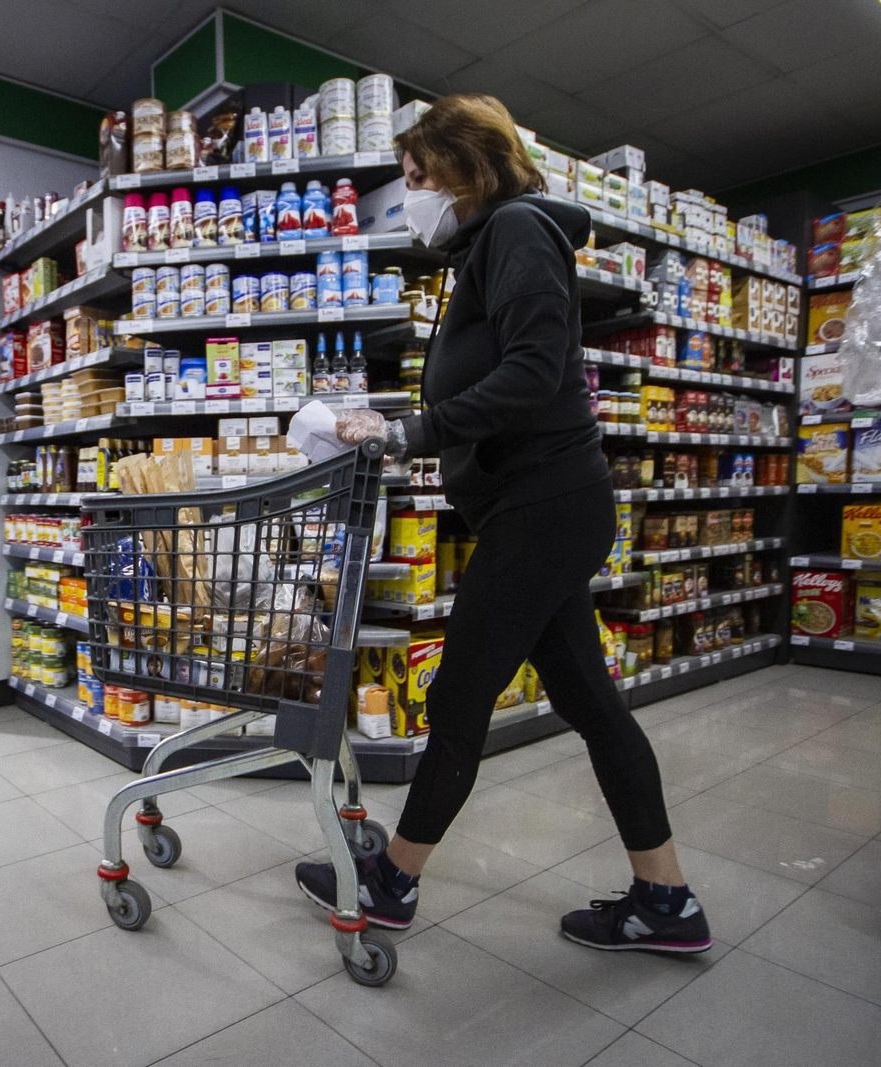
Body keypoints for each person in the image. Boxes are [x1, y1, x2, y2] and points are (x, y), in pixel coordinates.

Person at [297, 94, 711, 954]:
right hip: (542, 508)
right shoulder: (490, 244)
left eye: (417, 176)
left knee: (458, 695)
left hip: (544, 506)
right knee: (591, 701)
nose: (409, 195)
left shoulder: (518, 231)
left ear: (466, 169)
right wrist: (401, 426)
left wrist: (407, 433)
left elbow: (530, 375)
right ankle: (667, 900)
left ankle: (393, 882)